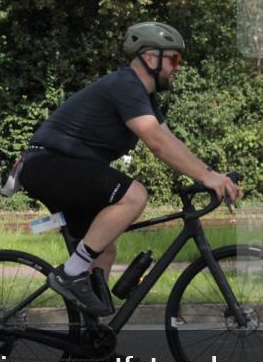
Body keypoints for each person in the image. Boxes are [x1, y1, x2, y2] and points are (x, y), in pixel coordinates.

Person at [17, 22, 241, 316]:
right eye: (174, 59)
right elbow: (156, 142)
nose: (178, 67)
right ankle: (69, 275)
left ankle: (89, 345)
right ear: (151, 58)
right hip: (49, 164)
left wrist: (209, 172)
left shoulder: (143, 96)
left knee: (103, 249)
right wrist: (207, 177)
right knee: (134, 195)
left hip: (60, 166)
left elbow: (170, 141)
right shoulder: (125, 85)